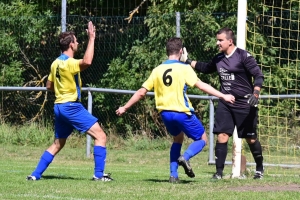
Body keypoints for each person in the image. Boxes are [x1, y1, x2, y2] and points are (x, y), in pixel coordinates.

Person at [115, 37, 235, 183]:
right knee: (202, 139)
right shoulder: (184, 68)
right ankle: (185, 157)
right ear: (180, 51)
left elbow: (141, 92)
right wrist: (223, 95)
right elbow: (201, 85)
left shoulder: (157, 70)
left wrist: (125, 107)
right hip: (182, 112)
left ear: (167, 52)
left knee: (177, 138)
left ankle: (173, 175)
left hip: (165, 113)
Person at [26, 21, 113, 181]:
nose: (78, 43)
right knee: (101, 136)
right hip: (71, 106)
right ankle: (99, 175)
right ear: (71, 45)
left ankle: (35, 175)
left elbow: (49, 85)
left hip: (59, 106)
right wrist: (92, 38)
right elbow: (87, 62)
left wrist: (62, 89)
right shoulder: (68, 63)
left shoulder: (55, 63)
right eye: (77, 41)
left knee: (58, 143)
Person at [180, 27, 264, 179]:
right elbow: (205, 68)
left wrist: (256, 93)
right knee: (222, 135)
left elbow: (258, 75)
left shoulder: (243, 56)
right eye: (217, 40)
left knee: (250, 138)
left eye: (220, 40)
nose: (217, 43)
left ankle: (259, 169)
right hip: (226, 102)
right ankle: (218, 173)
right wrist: (187, 61)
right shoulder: (219, 58)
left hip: (245, 103)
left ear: (230, 41)